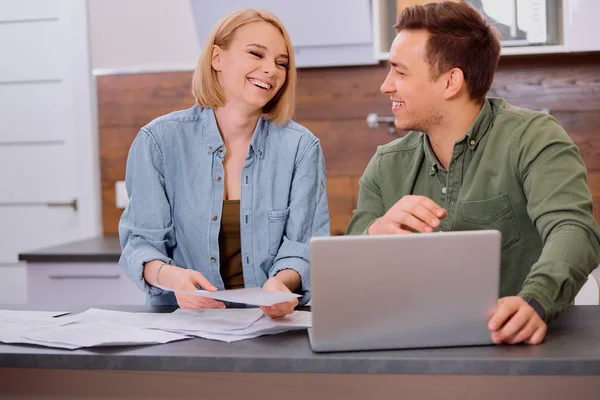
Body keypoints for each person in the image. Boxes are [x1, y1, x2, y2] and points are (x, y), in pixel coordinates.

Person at [346, 1, 600, 344]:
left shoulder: (534, 137)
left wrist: (534, 300)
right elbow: (348, 267)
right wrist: (375, 233)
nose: (385, 85)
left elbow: (574, 229)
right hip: (410, 346)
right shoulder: (386, 163)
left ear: (451, 82)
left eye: (400, 71)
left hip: (520, 349)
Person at [119, 9, 330, 319]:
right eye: (256, 54)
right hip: (184, 326)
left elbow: (305, 247)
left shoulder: (301, 147)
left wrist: (281, 285)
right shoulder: (159, 141)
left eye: (281, 63)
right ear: (217, 58)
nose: (270, 70)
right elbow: (141, 243)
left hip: (269, 326)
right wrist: (169, 277)